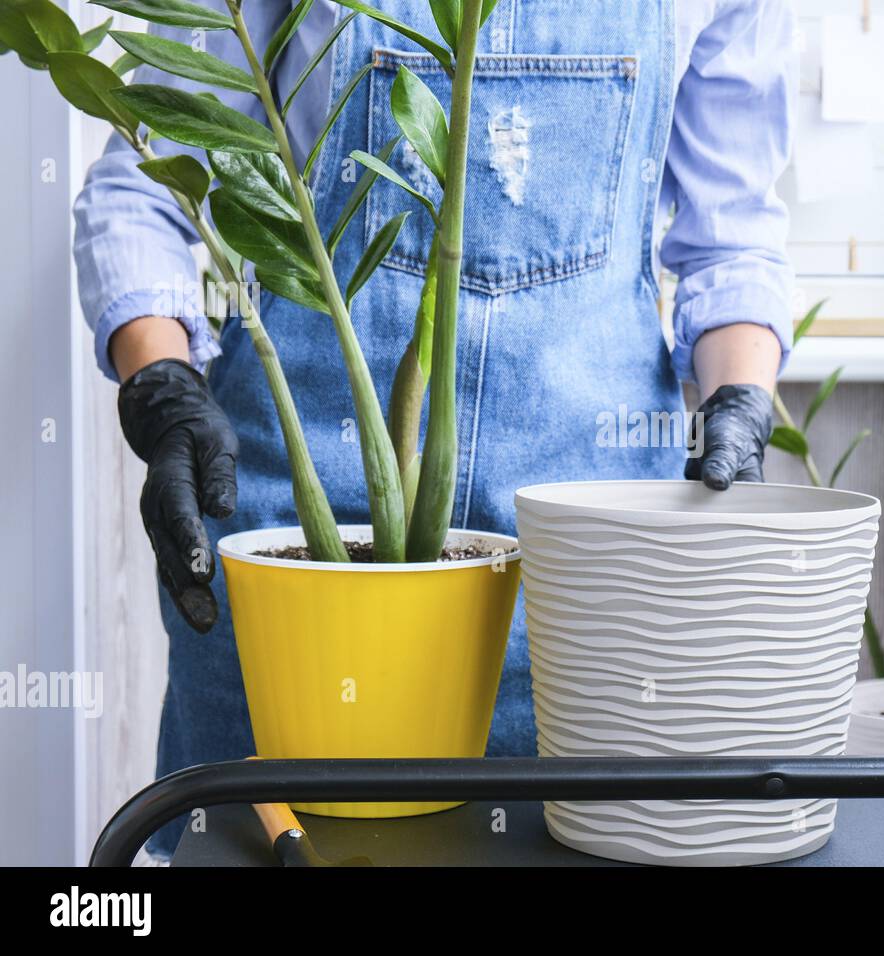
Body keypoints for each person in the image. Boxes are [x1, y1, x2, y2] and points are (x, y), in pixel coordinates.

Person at [75, 0, 796, 858]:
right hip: (295, 583)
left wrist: (739, 400)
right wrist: (161, 386)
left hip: (581, 594)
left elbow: (733, 232)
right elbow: (148, 172)